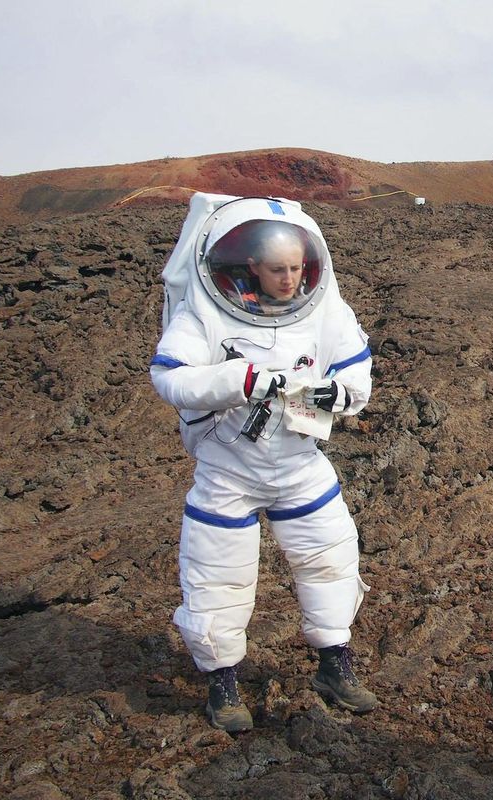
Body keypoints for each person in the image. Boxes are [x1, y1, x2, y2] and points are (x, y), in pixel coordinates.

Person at [150, 196, 377, 732]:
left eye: (298, 269)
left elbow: (356, 381)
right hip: (228, 466)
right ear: (250, 266)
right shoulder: (204, 311)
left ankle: (333, 666)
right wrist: (240, 380)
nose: (289, 280)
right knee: (218, 576)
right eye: (277, 270)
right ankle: (222, 684)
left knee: (332, 560)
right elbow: (170, 377)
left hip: (299, 461)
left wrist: (323, 395)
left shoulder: (325, 310)